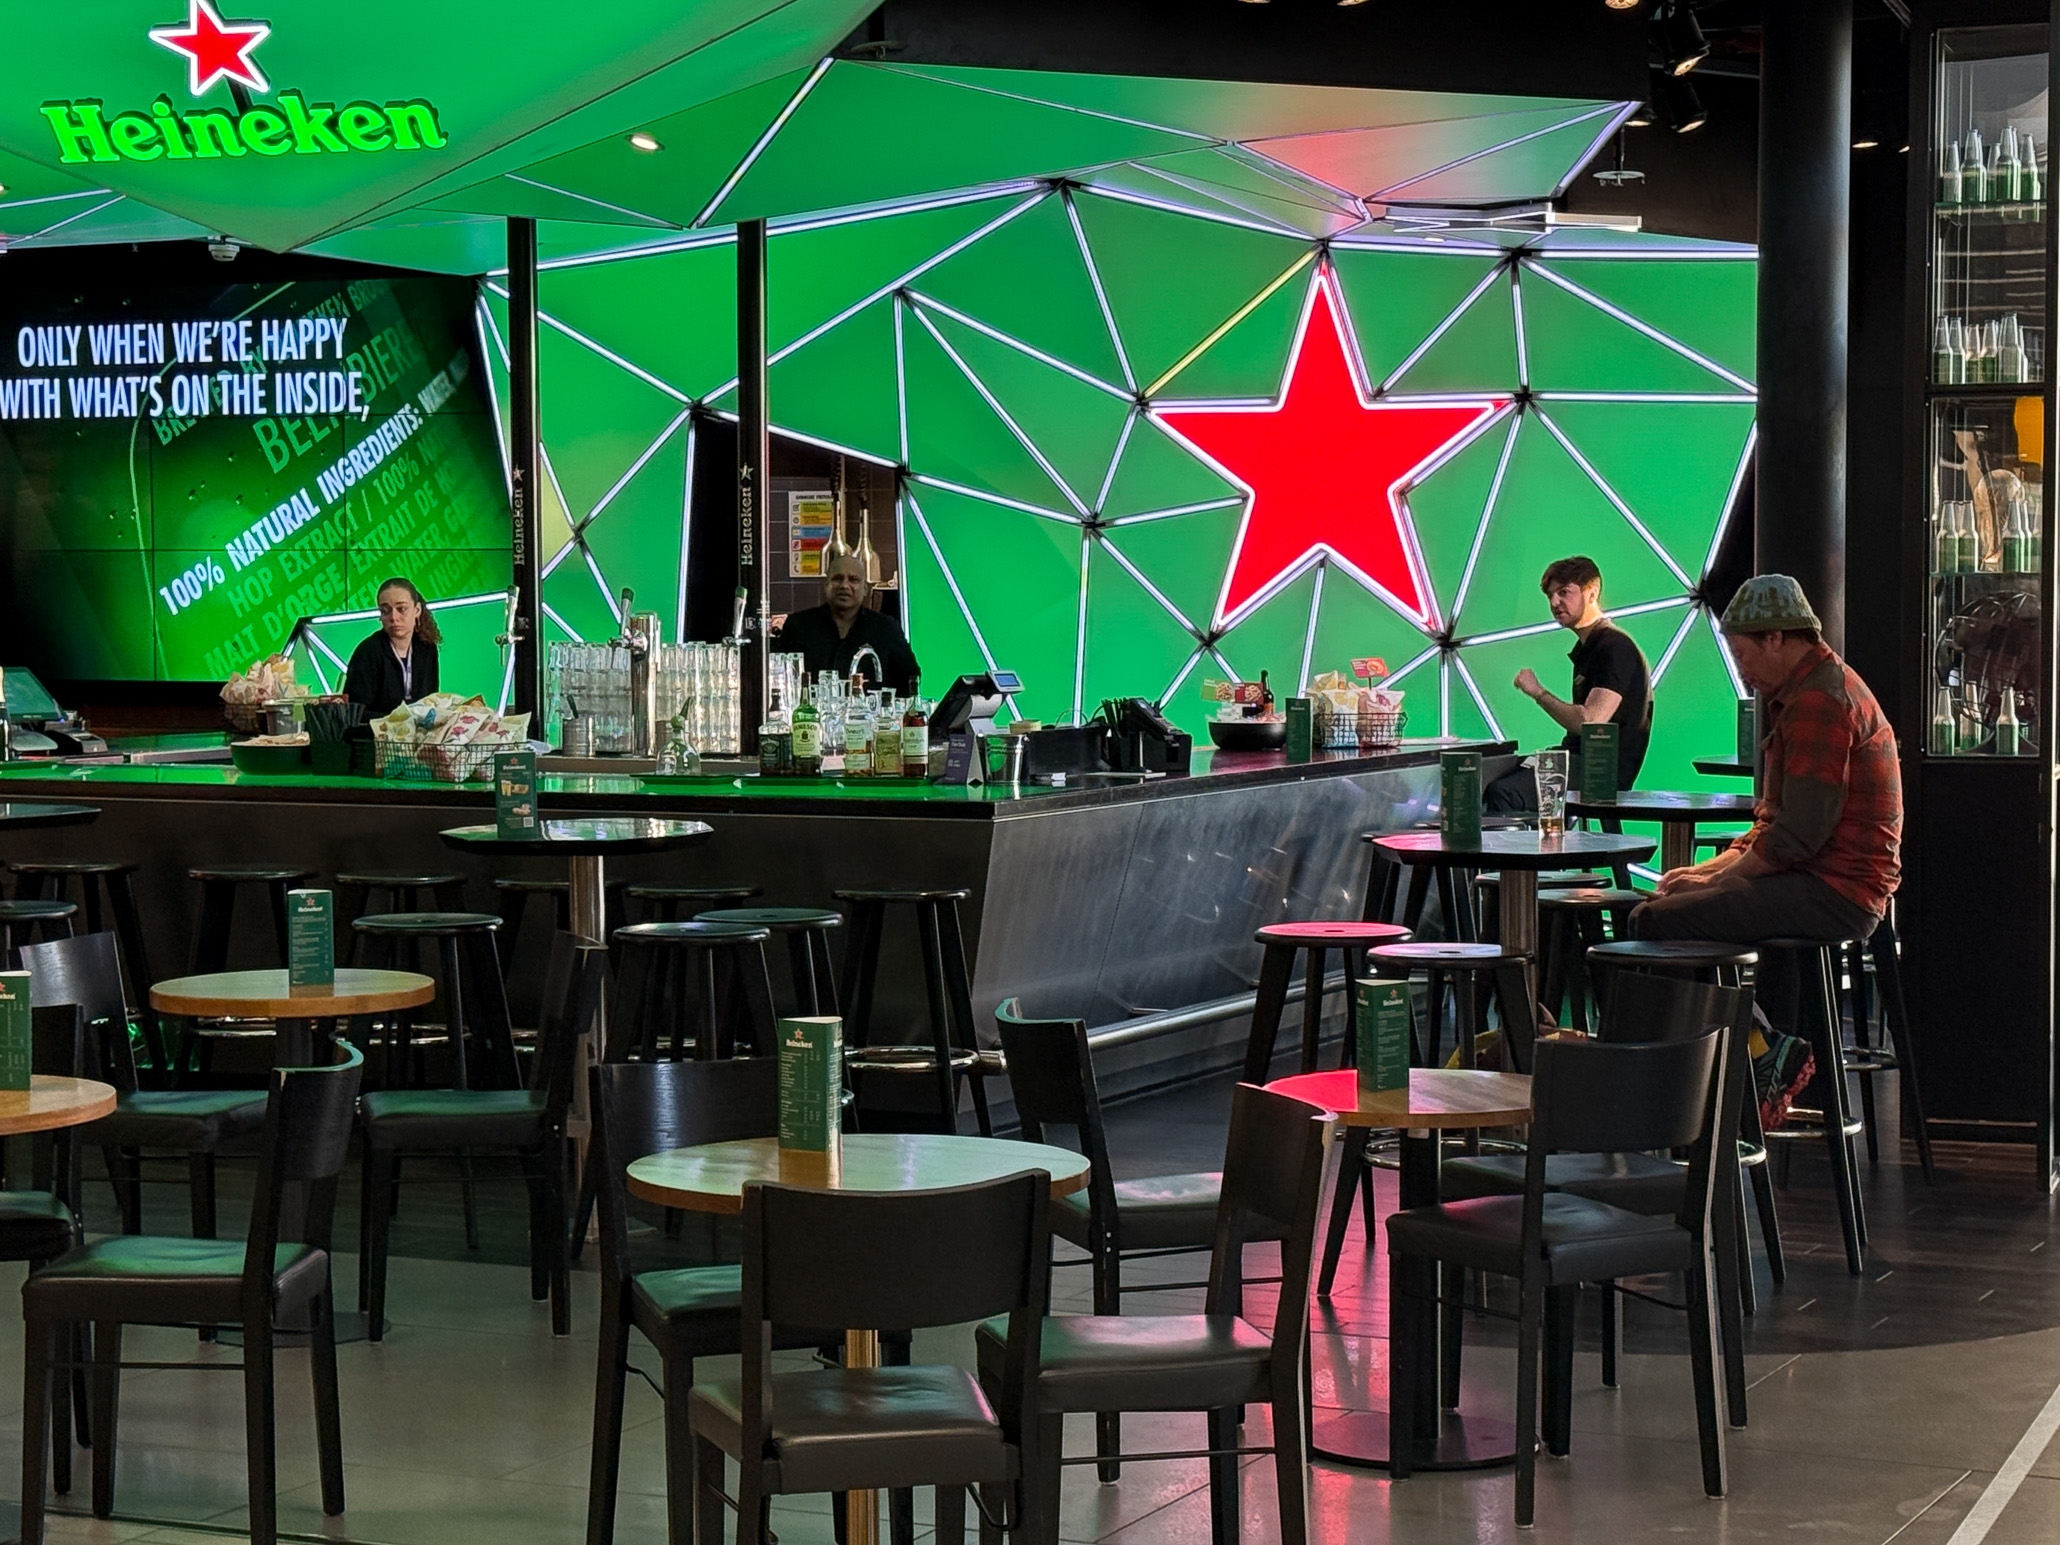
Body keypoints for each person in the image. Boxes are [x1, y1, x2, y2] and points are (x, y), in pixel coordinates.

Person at [1630, 574, 1903, 1128]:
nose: (1741, 671)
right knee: (1668, 904)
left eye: (1742, 653)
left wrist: (1712, 881)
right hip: (1822, 881)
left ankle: (1687, 1088)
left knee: (1655, 921)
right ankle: (1746, 1059)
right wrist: (1708, 870)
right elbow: (1772, 827)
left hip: (1838, 892)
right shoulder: (1813, 690)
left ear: (1776, 638)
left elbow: (1797, 837)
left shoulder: (1820, 702)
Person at [1485, 555, 1653, 810]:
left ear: (1592, 593)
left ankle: (1530, 837)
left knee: (1505, 792)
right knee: (1488, 775)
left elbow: (1590, 721)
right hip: (1576, 760)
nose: (1554, 602)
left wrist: (1538, 692)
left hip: (1599, 771)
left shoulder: (1614, 647)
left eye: (1564, 592)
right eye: (1550, 596)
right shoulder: (1589, 648)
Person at [772, 553, 920, 696]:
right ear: (826, 585)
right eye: (837, 579)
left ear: (865, 589)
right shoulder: (798, 625)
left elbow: (910, 679)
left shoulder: (886, 629)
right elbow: (777, 677)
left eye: (853, 580)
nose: (844, 585)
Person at [344, 576, 441, 716]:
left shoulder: (427, 648)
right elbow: (354, 714)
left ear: (417, 610)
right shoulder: (367, 652)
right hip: (376, 729)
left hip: (418, 728)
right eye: (385, 611)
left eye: (402, 609)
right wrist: (398, 720)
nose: (394, 617)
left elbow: (432, 700)